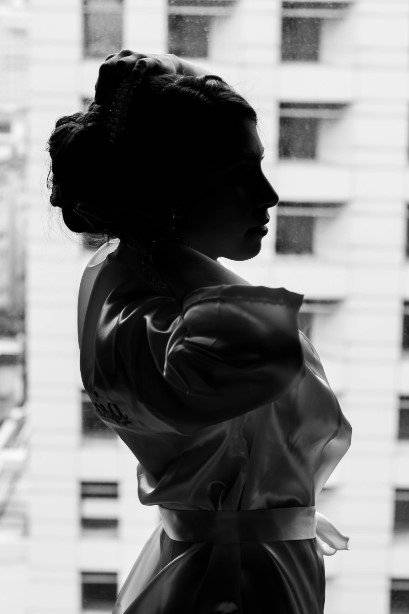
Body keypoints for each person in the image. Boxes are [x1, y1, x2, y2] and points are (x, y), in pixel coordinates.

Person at [47, 51, 352, 614]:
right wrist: (164, 243)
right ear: (168, 195)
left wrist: (272, 506)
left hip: (237, 563)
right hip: (228, 587)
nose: (268, 195)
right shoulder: (138, 316)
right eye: (240, 174)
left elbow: (233, 438)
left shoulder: (135, 286)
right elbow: (258, 350)